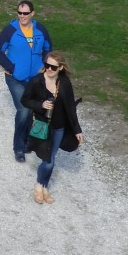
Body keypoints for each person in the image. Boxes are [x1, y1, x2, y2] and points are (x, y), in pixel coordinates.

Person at [22, 50, 84, 204]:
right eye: (47, 65)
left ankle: (43, 186)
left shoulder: (65, 84)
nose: (49, 69)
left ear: (61, 68)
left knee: (51, 158)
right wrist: (40, 105)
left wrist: (77, 130)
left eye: (53, 67)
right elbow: (25, 100)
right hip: (43, 125)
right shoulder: (37, 81)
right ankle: (39, 186)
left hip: (59, 127)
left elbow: (70, 108)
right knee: (48, 159)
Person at [0, 0, 54, 162]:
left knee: (33, 110)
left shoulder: (40, 30)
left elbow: (48, 49)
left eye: (25, 13)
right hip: (15, 78)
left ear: (32, 14)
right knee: (24, 110)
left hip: (34, 79)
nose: (22, 16)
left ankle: (29, 142)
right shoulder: (10, 31)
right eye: (19, 13)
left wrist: (45, 67)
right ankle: (19, 148)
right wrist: (13, 69)